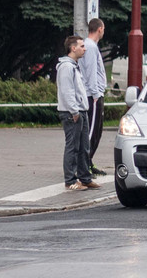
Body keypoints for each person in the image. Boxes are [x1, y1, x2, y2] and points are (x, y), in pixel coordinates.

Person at [57, 35, 100, 191]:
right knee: (72, 147)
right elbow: (67, 91)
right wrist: (74, 111)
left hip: (81, 111)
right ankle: (70, 181)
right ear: (72, 48)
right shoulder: (67, 67)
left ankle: (85, 178)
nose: (85, 48)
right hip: (72, 113)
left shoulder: (75, 66)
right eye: (81, 46)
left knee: (83, 147)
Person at [78, 18, 107, 177]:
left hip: (94, 94)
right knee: (92, 132)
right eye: (104, 29)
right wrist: (96, 93)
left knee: (97, 131)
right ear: (100, 29)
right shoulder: (90, 46)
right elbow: (90, 72)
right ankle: (84, 166)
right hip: (93, 96)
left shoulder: (90, 46)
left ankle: (88, 162)